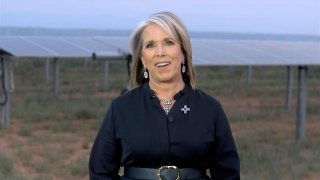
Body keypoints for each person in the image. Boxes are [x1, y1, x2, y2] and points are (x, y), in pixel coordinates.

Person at [89, 11, 240, 180]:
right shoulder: (121, 108)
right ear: (142, 59)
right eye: (150, 45)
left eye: (168, 42)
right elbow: (100, 172)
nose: (160, 52)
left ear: (183, 52)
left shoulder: (210, 109)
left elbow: (228, 175)